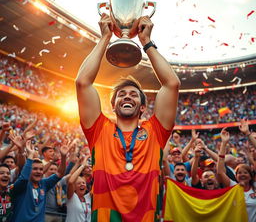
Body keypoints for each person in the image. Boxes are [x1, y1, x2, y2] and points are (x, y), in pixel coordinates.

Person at [76, 14, 180, 221]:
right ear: (113, 106)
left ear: (142, 107)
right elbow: (82, 83)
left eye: (133, 94)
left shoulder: (155, 132)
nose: (127, 96)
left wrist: (146, 43)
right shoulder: (99, 130)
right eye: (121, 95)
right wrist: (105, 38)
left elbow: (172, 84)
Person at [12, 143, 69, 222]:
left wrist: (63, 157)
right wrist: (30, 156)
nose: (38, 171)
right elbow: (24, 177)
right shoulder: (23, 184)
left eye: (41, 169)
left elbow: (60, 173)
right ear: (29, 170)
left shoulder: (44, 183)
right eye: (35, 169)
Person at [217, 127, 256, 222]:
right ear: (236, 176)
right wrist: (224, 143)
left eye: (245, 172)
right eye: (239, 173)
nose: (242, 175)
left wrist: (247, 133)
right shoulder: (232, 186)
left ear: (250, 176)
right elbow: (220, 171)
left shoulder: (255, 187)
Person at [66, 156, 91, 222]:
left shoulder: (88, 197)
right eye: (79, 183)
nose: (82, 184)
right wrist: (82, 166)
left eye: (83, 183)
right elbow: (71, 181)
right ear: (74, 187)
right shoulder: (72, 196)